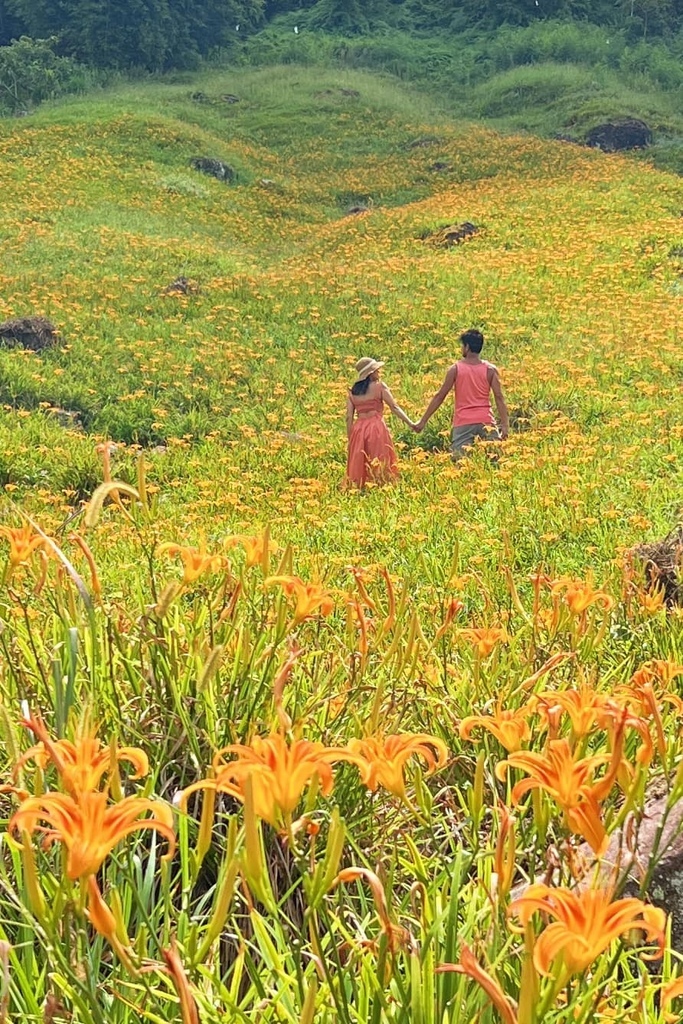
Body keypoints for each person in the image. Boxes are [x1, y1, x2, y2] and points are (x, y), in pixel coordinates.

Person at [414, 329, 509, 457]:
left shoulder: (456, 369)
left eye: (462, 345)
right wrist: (504, 425)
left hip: (464, 422)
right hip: (486, 421)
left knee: (460, 461)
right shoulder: (490, 370)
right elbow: (499, 397)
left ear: (467, 347)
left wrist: (423, 421)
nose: (461, 348)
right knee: (494, 460)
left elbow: (440, 396)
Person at [346, 357, 415, 487]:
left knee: (360, 460)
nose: (379, 372)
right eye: (377, 370)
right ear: (370, 373)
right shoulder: (379, 386)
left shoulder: (353, 392)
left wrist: (350, 437)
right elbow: (394, 407)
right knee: (379, 456)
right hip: (375, 426)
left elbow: (349, 417)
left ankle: (360, 486)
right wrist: (411, 423)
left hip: (358, 429)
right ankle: (380, 484)